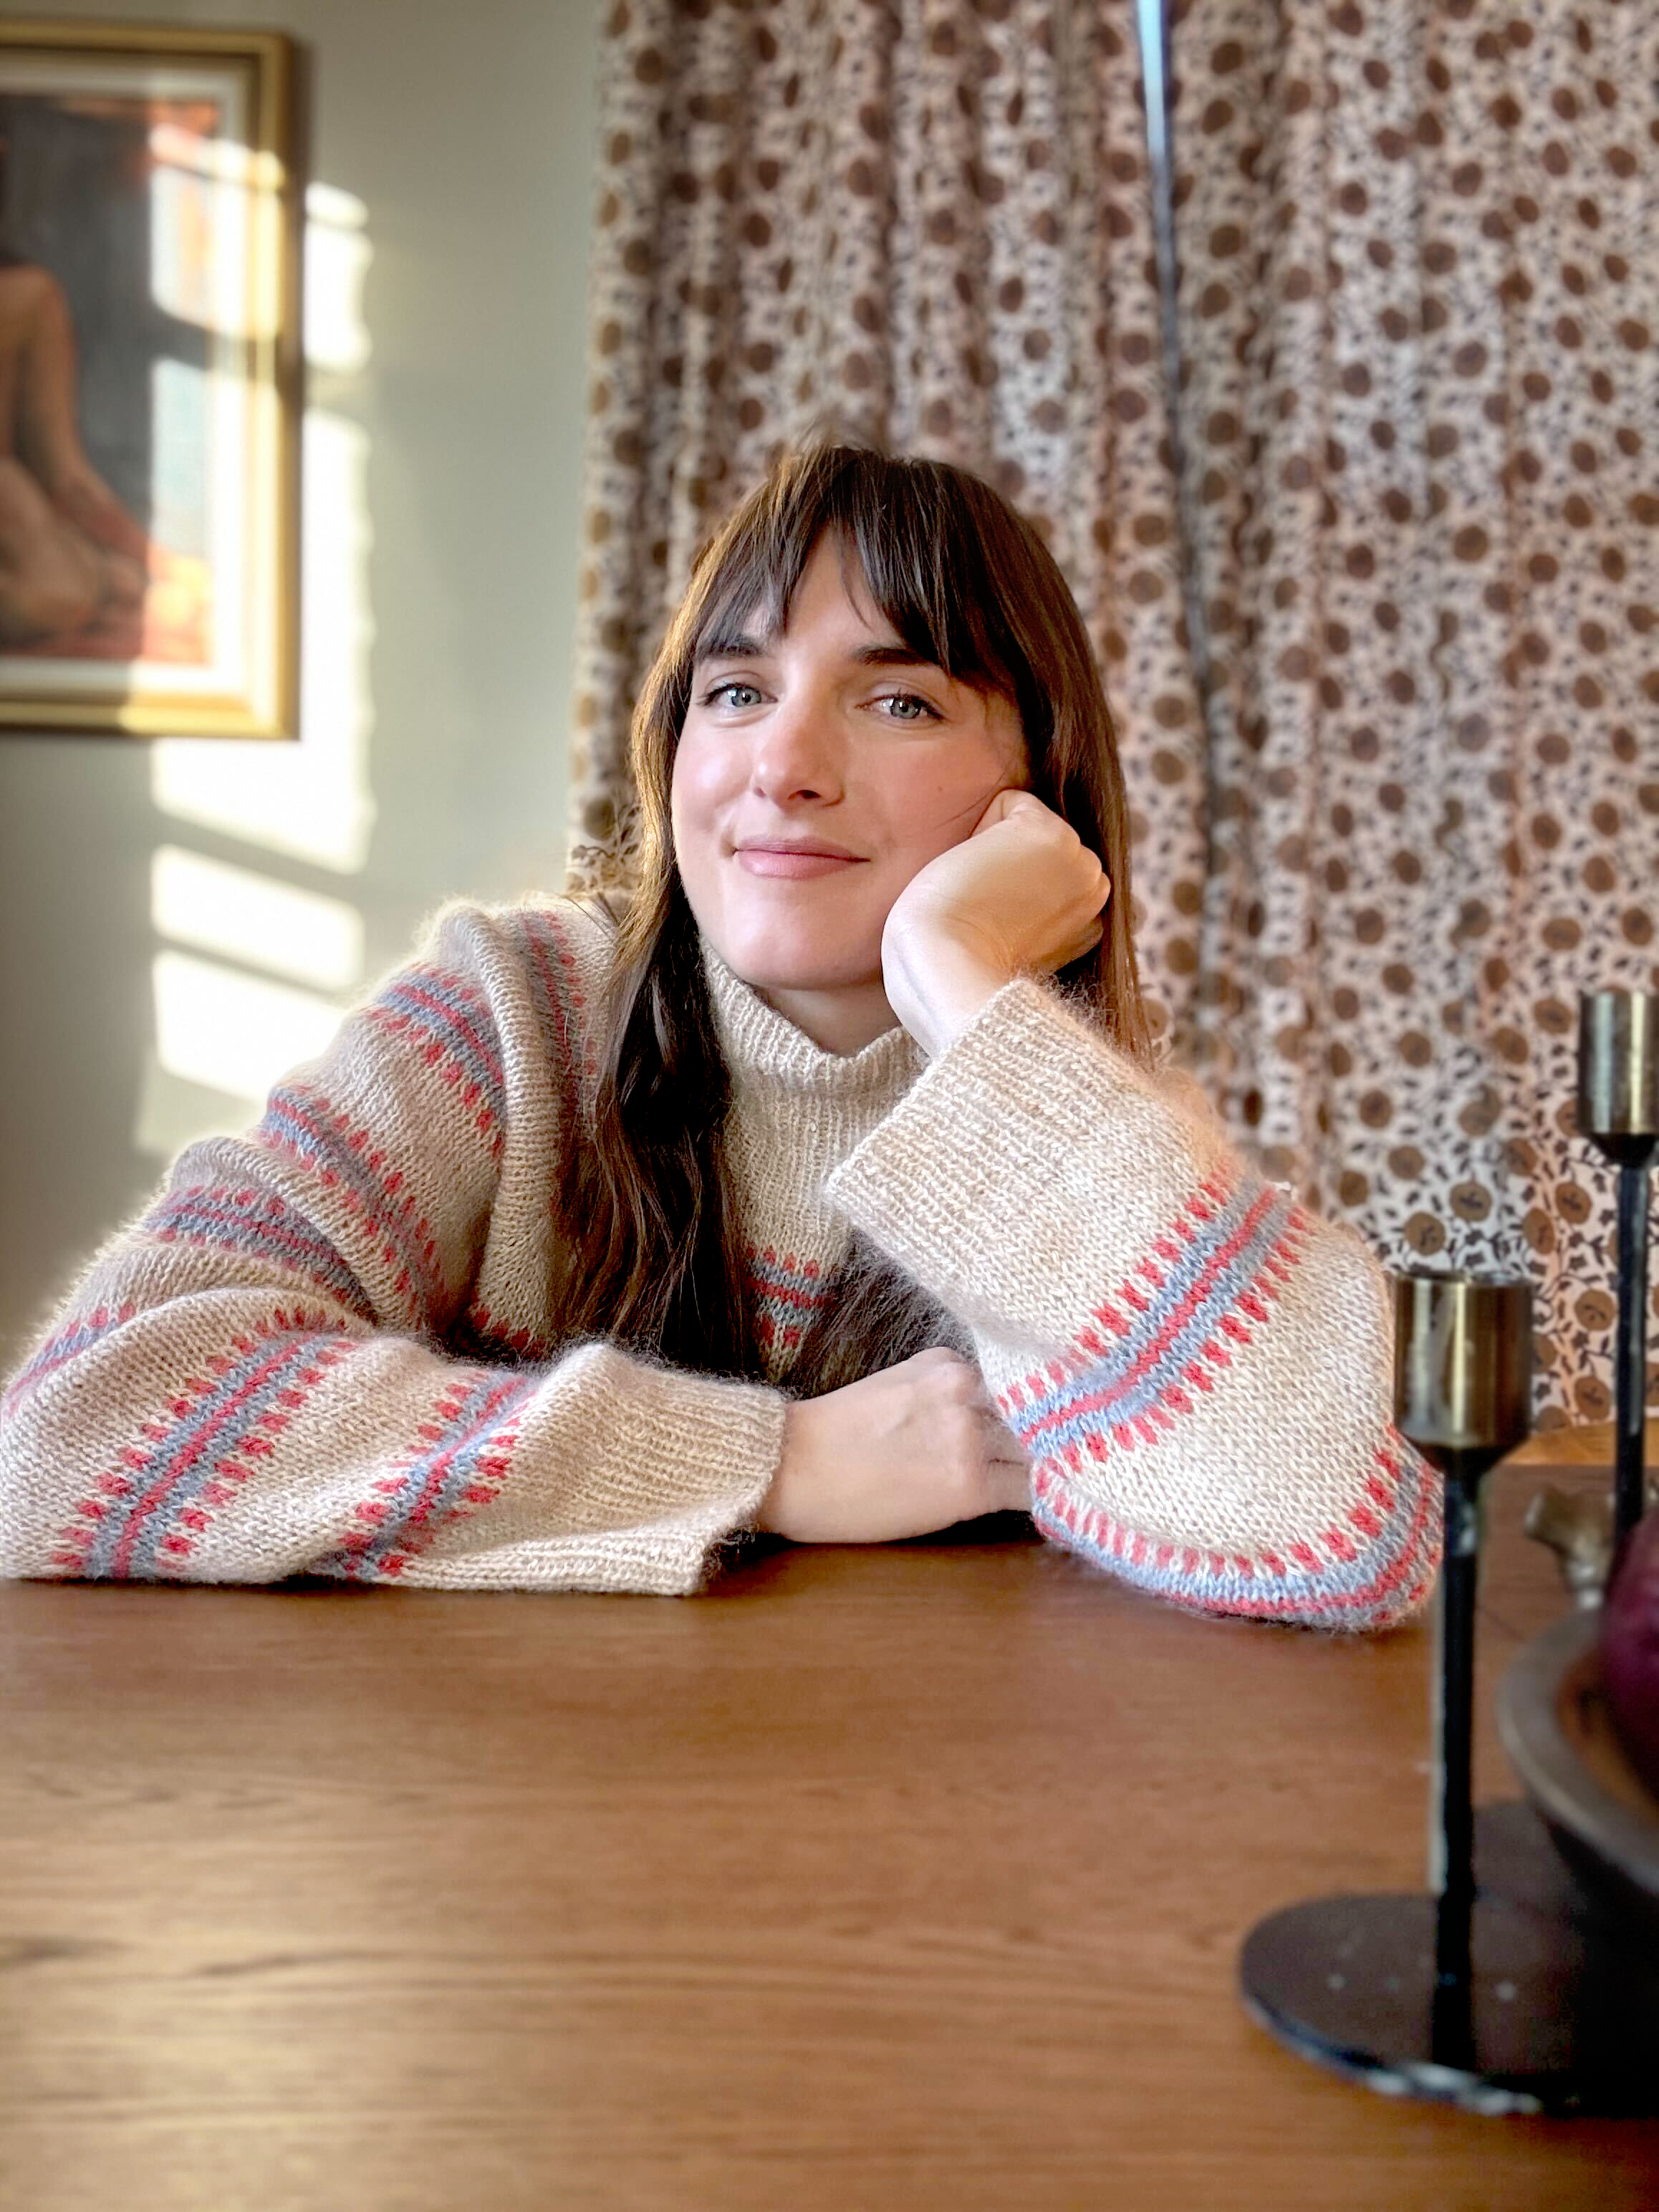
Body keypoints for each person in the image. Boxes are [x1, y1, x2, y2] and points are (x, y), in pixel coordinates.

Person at [0, 443, 1438, 1623]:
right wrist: (777, 1461)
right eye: (737, 690)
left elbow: (1346, 1521)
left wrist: (963, 987)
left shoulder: (1065, 1126)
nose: (784, 767)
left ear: (1036, 789)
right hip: (532, 1862)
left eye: (899, 698)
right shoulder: (501, 1020)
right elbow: (67, 1430)